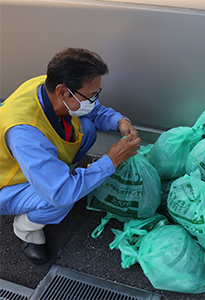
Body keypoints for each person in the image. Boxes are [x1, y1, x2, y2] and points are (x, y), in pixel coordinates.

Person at [0, 48, 141, 264]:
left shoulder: (48, 87)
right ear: (62, 92)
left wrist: (118, 121)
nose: (94, 100)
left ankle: (59, 176)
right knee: (59, 201)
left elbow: (92, 111)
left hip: (29, 163)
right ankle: (26, 229)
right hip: (6, 185)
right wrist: (111, 160)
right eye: (91, 95)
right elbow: (61, 193)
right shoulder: (25, 134)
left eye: (96, 93)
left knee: (87, 129)